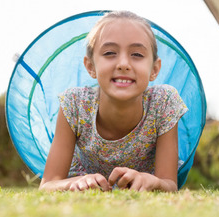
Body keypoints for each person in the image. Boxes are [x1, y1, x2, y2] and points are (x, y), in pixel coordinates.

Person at [39, 11, 188, 192]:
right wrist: (76, 183)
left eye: (137, 55)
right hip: (83, 177)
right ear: (91, 67)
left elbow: (170, 184)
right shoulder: (75, 105)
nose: (123, 63)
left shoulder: (163, 103)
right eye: (110, 53)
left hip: (144, 182)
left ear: (154, 69)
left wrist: (152, 182)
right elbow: (48, 184)